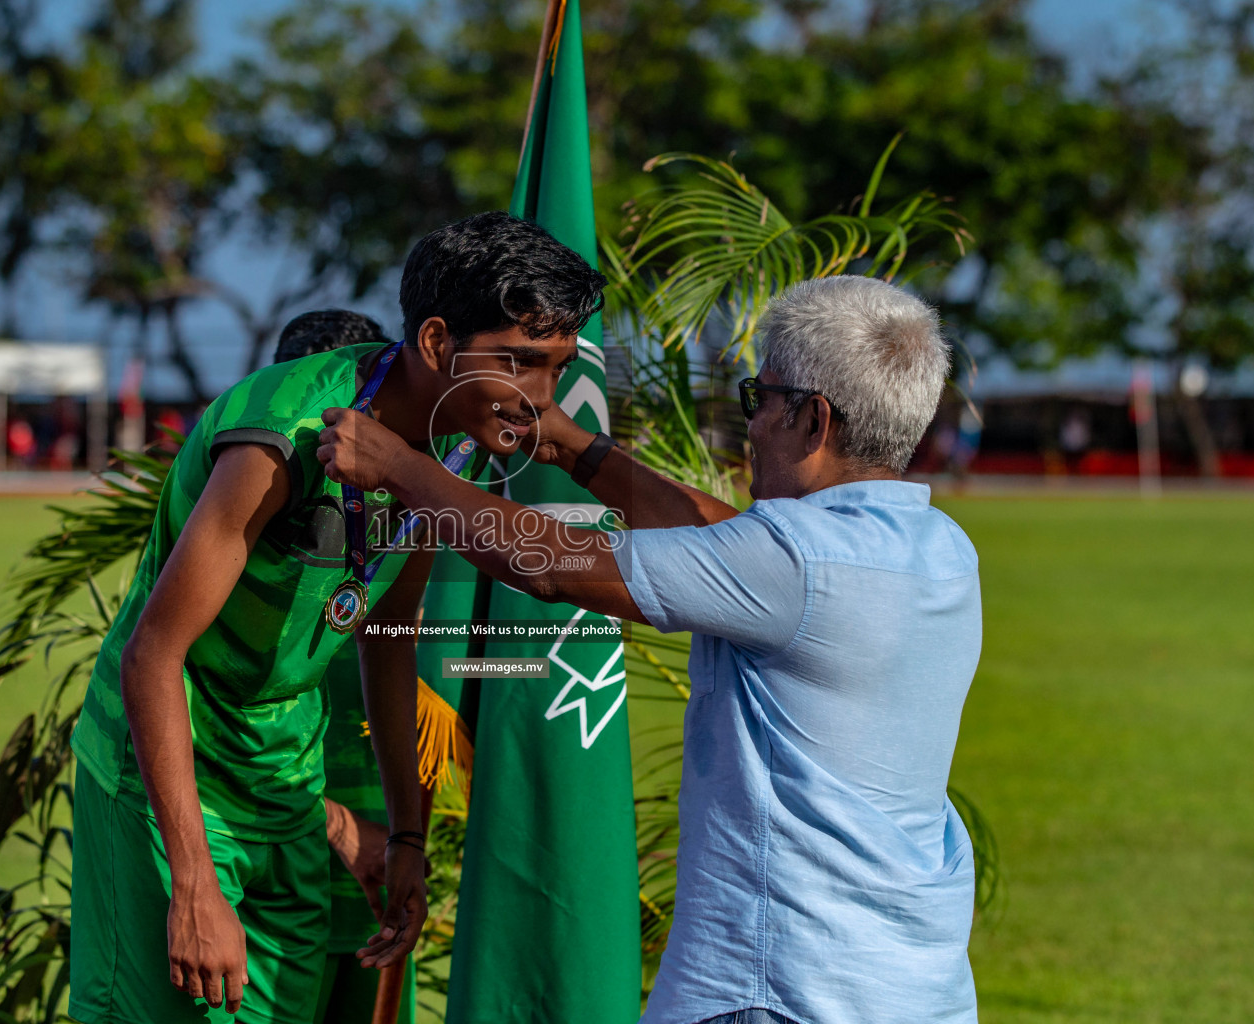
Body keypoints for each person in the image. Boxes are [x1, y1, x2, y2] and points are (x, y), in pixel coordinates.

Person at [317, 275, 982, 1024]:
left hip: (780, 989)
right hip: (914, 989)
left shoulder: (792, 562)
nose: (751, 427)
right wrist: (569, 445)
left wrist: (400, 468)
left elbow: (551, 562)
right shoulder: (940, 549)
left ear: (812, 418)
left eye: (757, 400)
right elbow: (715, 537)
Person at [68, 211, 606, 1024]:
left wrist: (407, 838)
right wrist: (191, 883)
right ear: (435, 343)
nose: (542, 399)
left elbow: (388, 642)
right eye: (523, 364)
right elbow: (153, 654)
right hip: (165, 781)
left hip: (283, 772)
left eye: (558, 368)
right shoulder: (283, 438)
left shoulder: (456, 440)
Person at [274, 308, 423, 1024]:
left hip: (374, 898)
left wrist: (406, 837)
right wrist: (332, 822)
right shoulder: (236, 562)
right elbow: (181, 719)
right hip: (269, 893)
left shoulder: (398, 532)